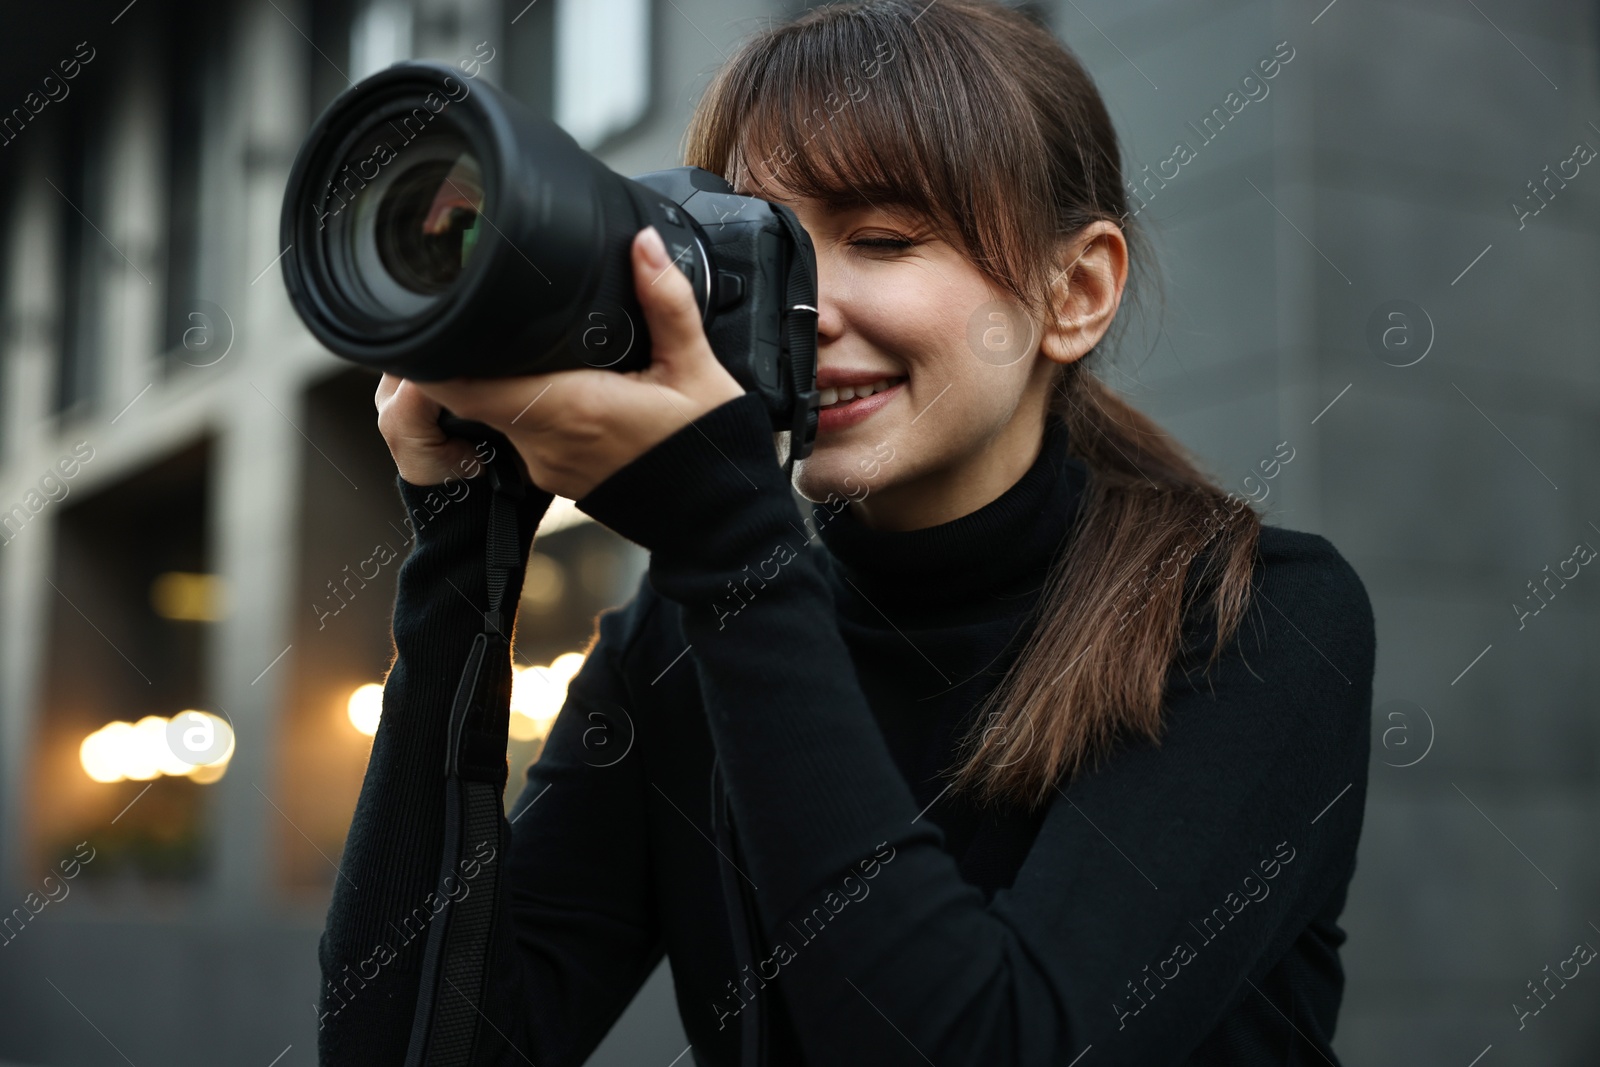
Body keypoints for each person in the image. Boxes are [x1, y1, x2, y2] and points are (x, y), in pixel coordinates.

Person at [315, 1, 1375, 1064]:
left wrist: (729, 544)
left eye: (881, 239)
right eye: (759, 238)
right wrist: (464, 552)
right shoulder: (689, 636)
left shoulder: (1257, 614)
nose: (803, 303)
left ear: (1076, 291)